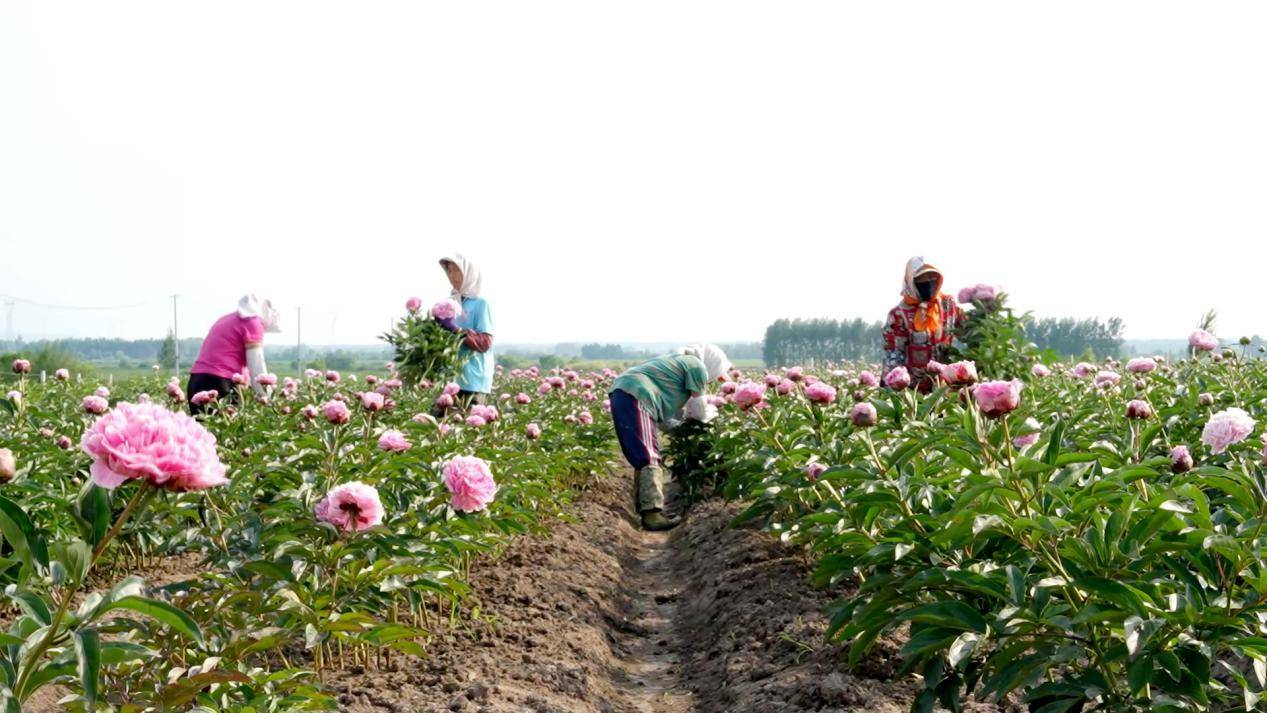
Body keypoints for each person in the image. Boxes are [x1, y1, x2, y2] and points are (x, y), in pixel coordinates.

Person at [609, 344, 730, 531]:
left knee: (642, 451)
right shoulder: (696, 366)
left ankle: (645, 510)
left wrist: (682, 430)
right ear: (712, 363)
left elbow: (663, 420)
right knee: (648, 455)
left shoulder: (675, 364)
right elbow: (699, 409)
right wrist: (709, 422)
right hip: (636, 394)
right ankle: (652, 515)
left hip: (625, 392)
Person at [187, 294, 280, 415]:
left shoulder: (229, 319)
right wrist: (266, 397)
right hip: (219, 382)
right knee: (228, 431)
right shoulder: (252, 323)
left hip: (197, 380)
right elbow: (256, 364)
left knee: (203, 430)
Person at [882, 257, 963, 392]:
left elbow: (966, 329)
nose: (928, 282)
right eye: (921, 278)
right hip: (914, 388)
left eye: (932, 276)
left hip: (946, 386)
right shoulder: (898, 314)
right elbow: (894, 354)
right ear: (911, 280)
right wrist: (892, 388)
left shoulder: (948, 305)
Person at [435, 253, 494, 407]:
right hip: (451, 379)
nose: (452, 276)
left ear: (469, 273)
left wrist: (455, 329)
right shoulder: (449, 304)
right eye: (449, 271)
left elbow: (485, 343)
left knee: (467, 425)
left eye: (457, 271)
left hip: (473, 380)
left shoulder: (480, 304)